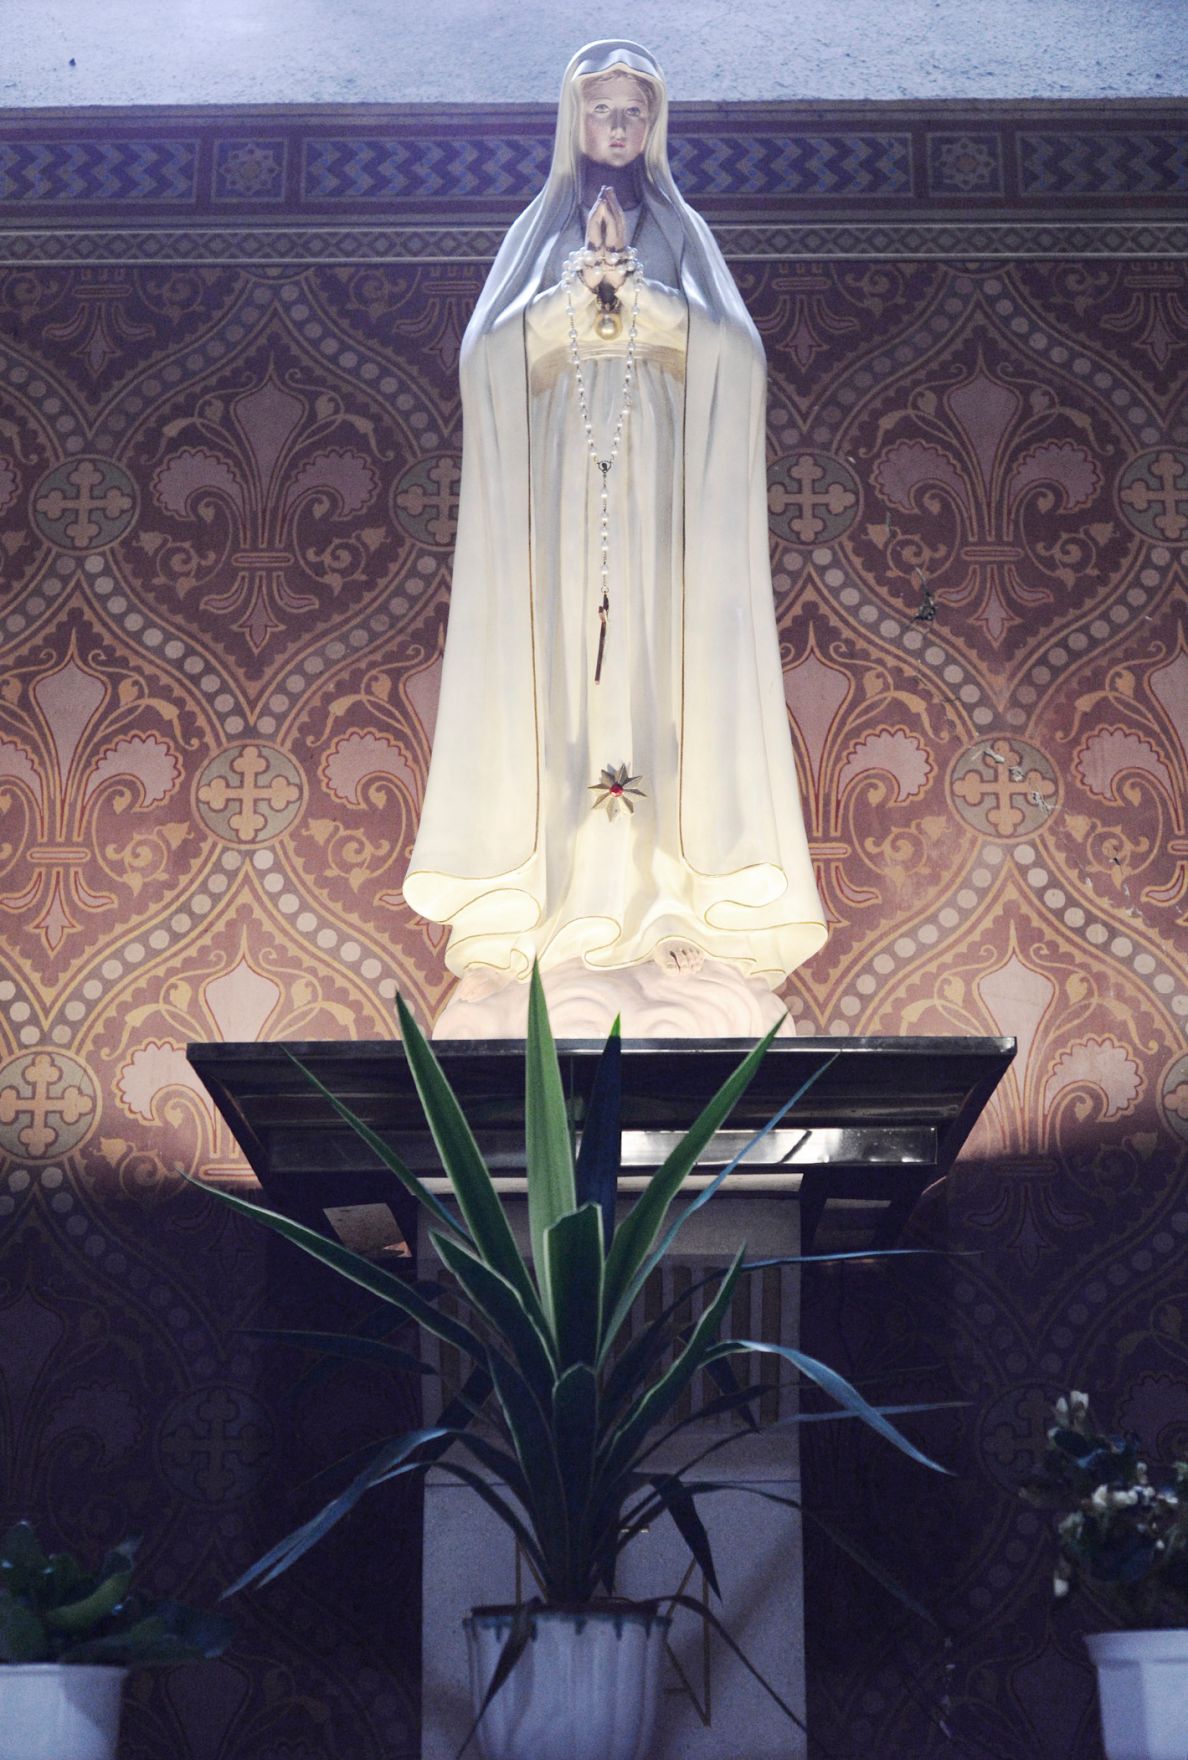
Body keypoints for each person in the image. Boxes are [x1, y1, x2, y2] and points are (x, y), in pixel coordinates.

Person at [403, 40, 827, 1037]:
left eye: (635, 113)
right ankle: (557, 924)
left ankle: (666, 917)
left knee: (659, 699)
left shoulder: (679, 233)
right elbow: (485, 358)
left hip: (663, 531)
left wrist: (642, 299)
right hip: (559, 533)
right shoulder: (538, 234)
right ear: (574, 121)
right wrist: (571, 299)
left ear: (655, 127)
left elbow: (738, 356)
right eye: (603, 112)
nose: (619, 129)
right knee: (561, 711)